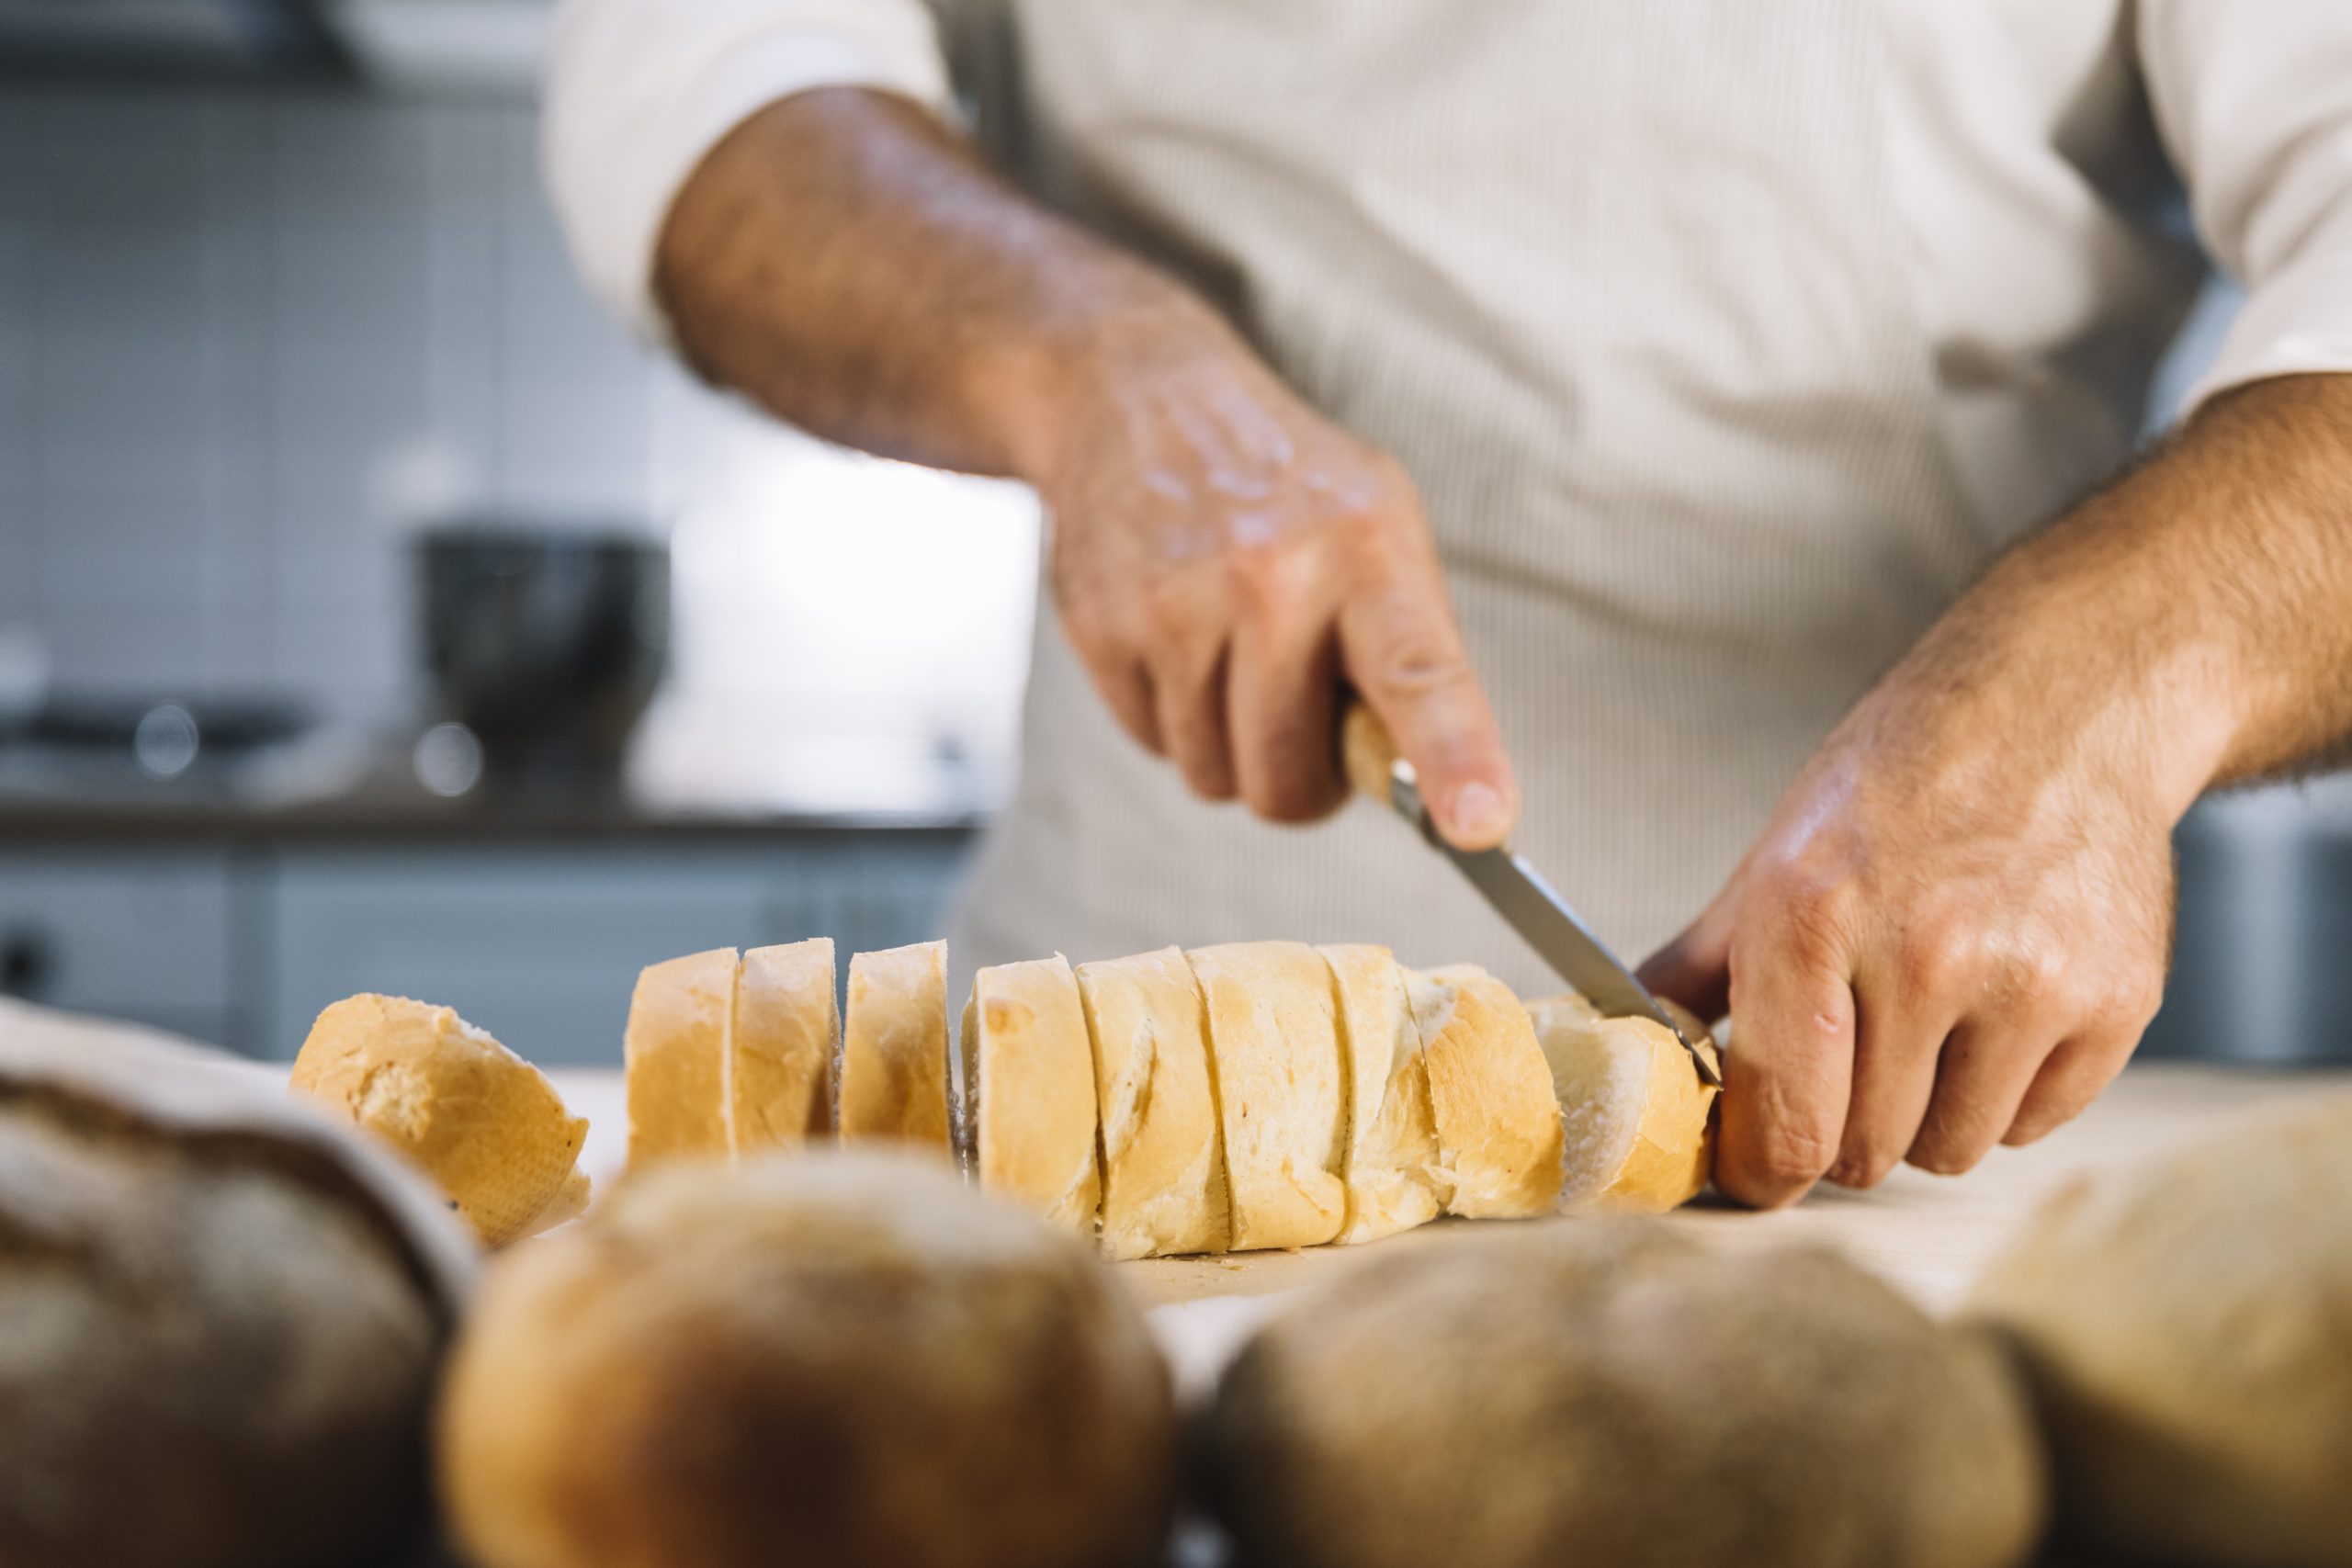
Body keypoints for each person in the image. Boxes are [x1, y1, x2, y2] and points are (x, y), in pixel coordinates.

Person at [545, 2, 2352, 1207]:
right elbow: (702, 68)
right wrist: (1080, 360)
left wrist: (2114, 672)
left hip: (1911, 1131)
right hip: (1102, 1076)